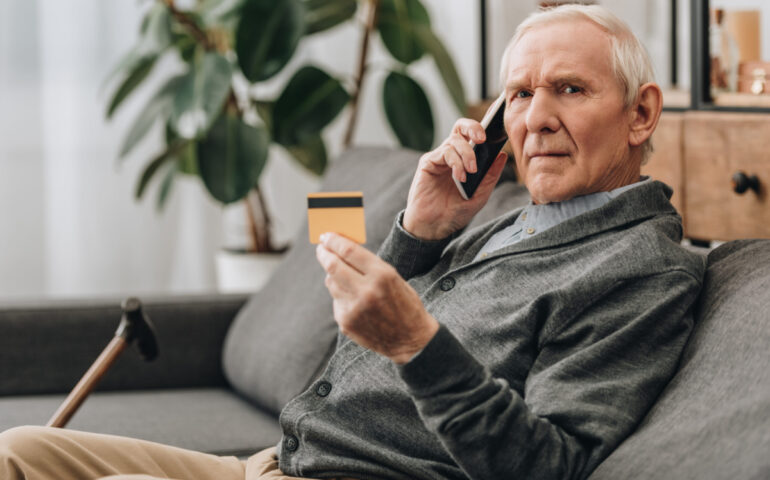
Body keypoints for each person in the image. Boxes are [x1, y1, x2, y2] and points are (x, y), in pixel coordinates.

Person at [0, 4, 705, 480]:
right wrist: (420, 234)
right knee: (21, 451)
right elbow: (353, 363)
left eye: (570, 89)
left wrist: (419, 346)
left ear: (640, 113)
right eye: (519, 95)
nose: (536, 119)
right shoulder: (502, 219)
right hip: (277, 462)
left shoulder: (639, 266)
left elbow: (546, 466)